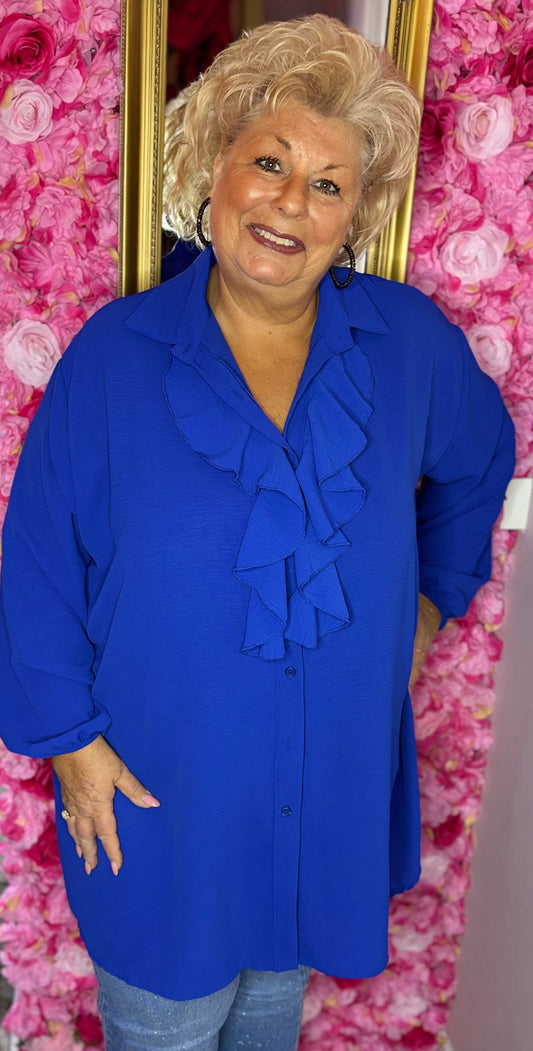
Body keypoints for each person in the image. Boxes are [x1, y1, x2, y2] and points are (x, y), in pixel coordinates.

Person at [0, 14, 515, 1051]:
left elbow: (478, 458)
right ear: (214, 165)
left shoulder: (408, 346)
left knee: (271, 1015)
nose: (289, 202)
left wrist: (429, 601)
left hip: (321, 794)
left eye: (327, 184)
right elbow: (39, 559)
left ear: (353, 215)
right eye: (269, 163)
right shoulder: (115, 356)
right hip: (162, 795)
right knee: (166, 1025)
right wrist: (73, 749)